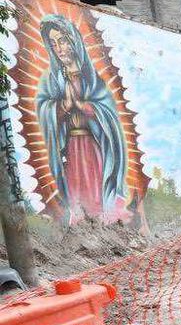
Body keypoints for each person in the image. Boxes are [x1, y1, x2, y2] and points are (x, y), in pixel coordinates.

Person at [35, 14, 128, 225]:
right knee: (75, 193)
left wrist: (84, 107)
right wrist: (63, 106)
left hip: (94, 147)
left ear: (74, 41)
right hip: (70, 148)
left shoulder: (92, 79)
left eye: (63, 41)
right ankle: (80, 226)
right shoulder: (52, 80)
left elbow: (109, 114)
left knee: (95, 190)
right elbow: (43, 108)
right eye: (53, 43)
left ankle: (103, 225)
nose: (59, 48)